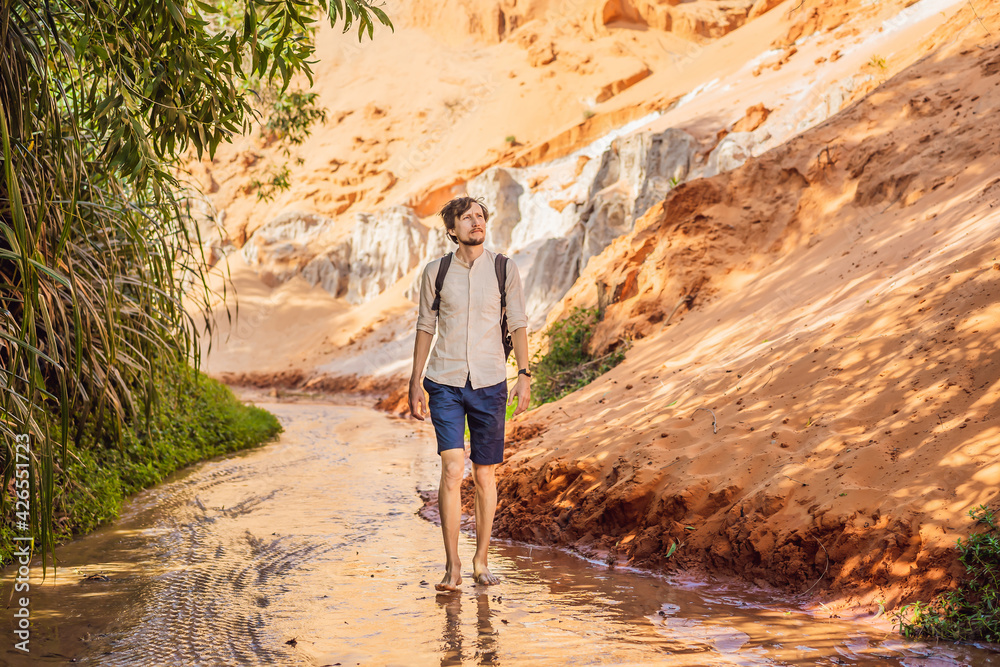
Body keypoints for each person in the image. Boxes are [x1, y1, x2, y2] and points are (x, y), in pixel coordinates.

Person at [408, 196, 531, 591]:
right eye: (467, 217)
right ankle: (453, 565)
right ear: (452, 229)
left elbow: (518, 322)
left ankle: (481, 559)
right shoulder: (436, 272)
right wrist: (415, 380)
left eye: (480, 216)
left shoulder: (503, 268)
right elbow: (425, 325)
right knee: (451, 469)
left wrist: (524, 374)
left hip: (491, 380)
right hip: (444, 380)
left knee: (484, 475)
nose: (476, 222)